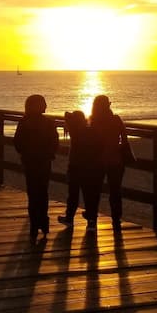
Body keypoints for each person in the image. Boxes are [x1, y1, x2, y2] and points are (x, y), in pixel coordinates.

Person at [13, 94, 59, 239]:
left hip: (30, 162)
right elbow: (55, 141)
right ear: (37, 105)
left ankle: (34, 226)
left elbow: (17, 142)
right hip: (44, 162)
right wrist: (49, 153)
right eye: (43, 103)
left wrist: (26, 153)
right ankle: (43, 224)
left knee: (33, 194)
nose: (46, 106)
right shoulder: (49, 123)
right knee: (43, 192)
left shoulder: (24, 122)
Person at [86, 95, 129, 232]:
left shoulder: (93, 121)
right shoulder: (116, 119)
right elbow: (124, 138)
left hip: (97, 160)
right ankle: (116, 221)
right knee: (115, 191)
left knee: (94, 191)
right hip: (115, 160)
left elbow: (90, 142)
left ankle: (92, 221)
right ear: (108, 106)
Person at [58, 111, 96, 227]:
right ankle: (91, 222)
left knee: (73, 194)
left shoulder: (74, 130)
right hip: (89, 166)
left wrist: (72, 116)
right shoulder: (90, 130)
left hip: (75, 165)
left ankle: (69, 218)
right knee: (88, 194)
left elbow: (66, 115)